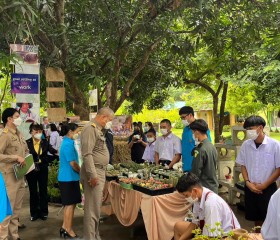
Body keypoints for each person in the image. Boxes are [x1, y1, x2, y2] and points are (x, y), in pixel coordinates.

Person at [236, 115, 280, 229]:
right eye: (247, 129)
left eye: (251, 128)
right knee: (256, 219)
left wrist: (264, 185)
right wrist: (247, 182)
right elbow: (243, 165)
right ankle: (257, 236)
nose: (248, 131)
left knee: (269, 218)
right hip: (251, 187)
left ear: (260, 128)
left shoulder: (274, 145)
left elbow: (278, 169)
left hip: (268, 187)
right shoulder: (246, 145)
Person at [80, 107, 115, 240]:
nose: (109, 123)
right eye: (109, 120)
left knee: (95, 208)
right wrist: (93, 176)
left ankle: (95, 236)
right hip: (94, 171)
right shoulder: (90, 128)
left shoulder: (98, 129)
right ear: (103, 117)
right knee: (92, 210)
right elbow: (87, 154)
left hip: (99, 170)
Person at [174, 172, 240, 239]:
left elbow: (212, 236)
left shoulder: (211, 204)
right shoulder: (198, 196)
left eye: (186, 195)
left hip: (224, 236)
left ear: (195, 191)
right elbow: (194, 223)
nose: (186, 198)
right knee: (178, 226)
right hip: (207, 230)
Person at [0, 108, 29, 240]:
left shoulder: (19, 133)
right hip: (9, 175)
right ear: (9, 119)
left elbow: (24, 150)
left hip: (20, 175)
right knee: (7, 208)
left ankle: (14, 235)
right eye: (17, 116)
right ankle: (4, 237)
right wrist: (15, 157)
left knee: (16, 209)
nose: (20, 118)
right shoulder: (5, 135)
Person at [25, 123, 57, 221]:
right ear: (31, 132)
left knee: (43, 190)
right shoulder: (27, 143)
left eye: (40, 131)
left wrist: (59, 151)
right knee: (33, 191)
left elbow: (52, 151)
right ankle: (34, 213)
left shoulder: (45, 142)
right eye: (36, 131)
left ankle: (44, 212)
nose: (38, 133)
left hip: (42, 168)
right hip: (31, 169)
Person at [58, 123, 81, 238]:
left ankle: (64, 227)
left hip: (70, 177)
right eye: (77, 131)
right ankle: (68, 229)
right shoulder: (67, 144)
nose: (78, 134)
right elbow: (73, 164)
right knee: (70, 205)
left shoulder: (68, 142)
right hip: (68, 178)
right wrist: (81, 172)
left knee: (70, 204)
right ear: (70, 132)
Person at [189, 119, 219, 193]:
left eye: (193, 132)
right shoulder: (211, 145)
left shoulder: (200, 149)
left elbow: (196, 171)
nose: (193, 135)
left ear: (197, 132)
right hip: (213, 186)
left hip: (204, 187)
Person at [179, 106, 211, 172]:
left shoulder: (200, 127)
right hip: (186, 166)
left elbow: (207, 146)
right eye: (181, 118)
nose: (182, 120)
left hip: (197, 167)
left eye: (183, 117)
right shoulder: (185, 129)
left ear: (190, 115)